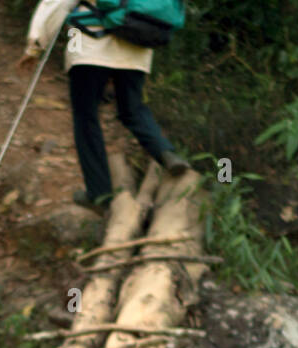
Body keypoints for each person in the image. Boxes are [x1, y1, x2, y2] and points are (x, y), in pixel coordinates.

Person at [21, 0, 191, 211]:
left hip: (88, 47)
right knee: (133, 110)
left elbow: (55, 4)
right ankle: (166, 153)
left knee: (86, 118)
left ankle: (99, 195)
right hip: (137, 48)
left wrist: (35, 46)